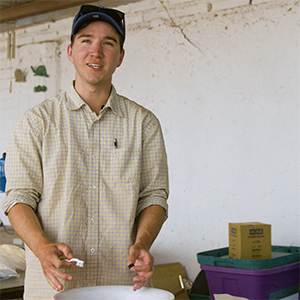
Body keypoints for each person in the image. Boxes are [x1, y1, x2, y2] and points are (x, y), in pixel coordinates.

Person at [2, 5, 169, 300]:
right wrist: (41, 247)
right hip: (54, 288)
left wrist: (142, 242)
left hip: (121, 288)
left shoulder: (144, 124)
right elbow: (18, 198)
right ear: (69, 52)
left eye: (108, 43)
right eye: (86, 40)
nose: (96, 51)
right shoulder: (37, 122)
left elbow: (154, 197)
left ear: (120, 56)